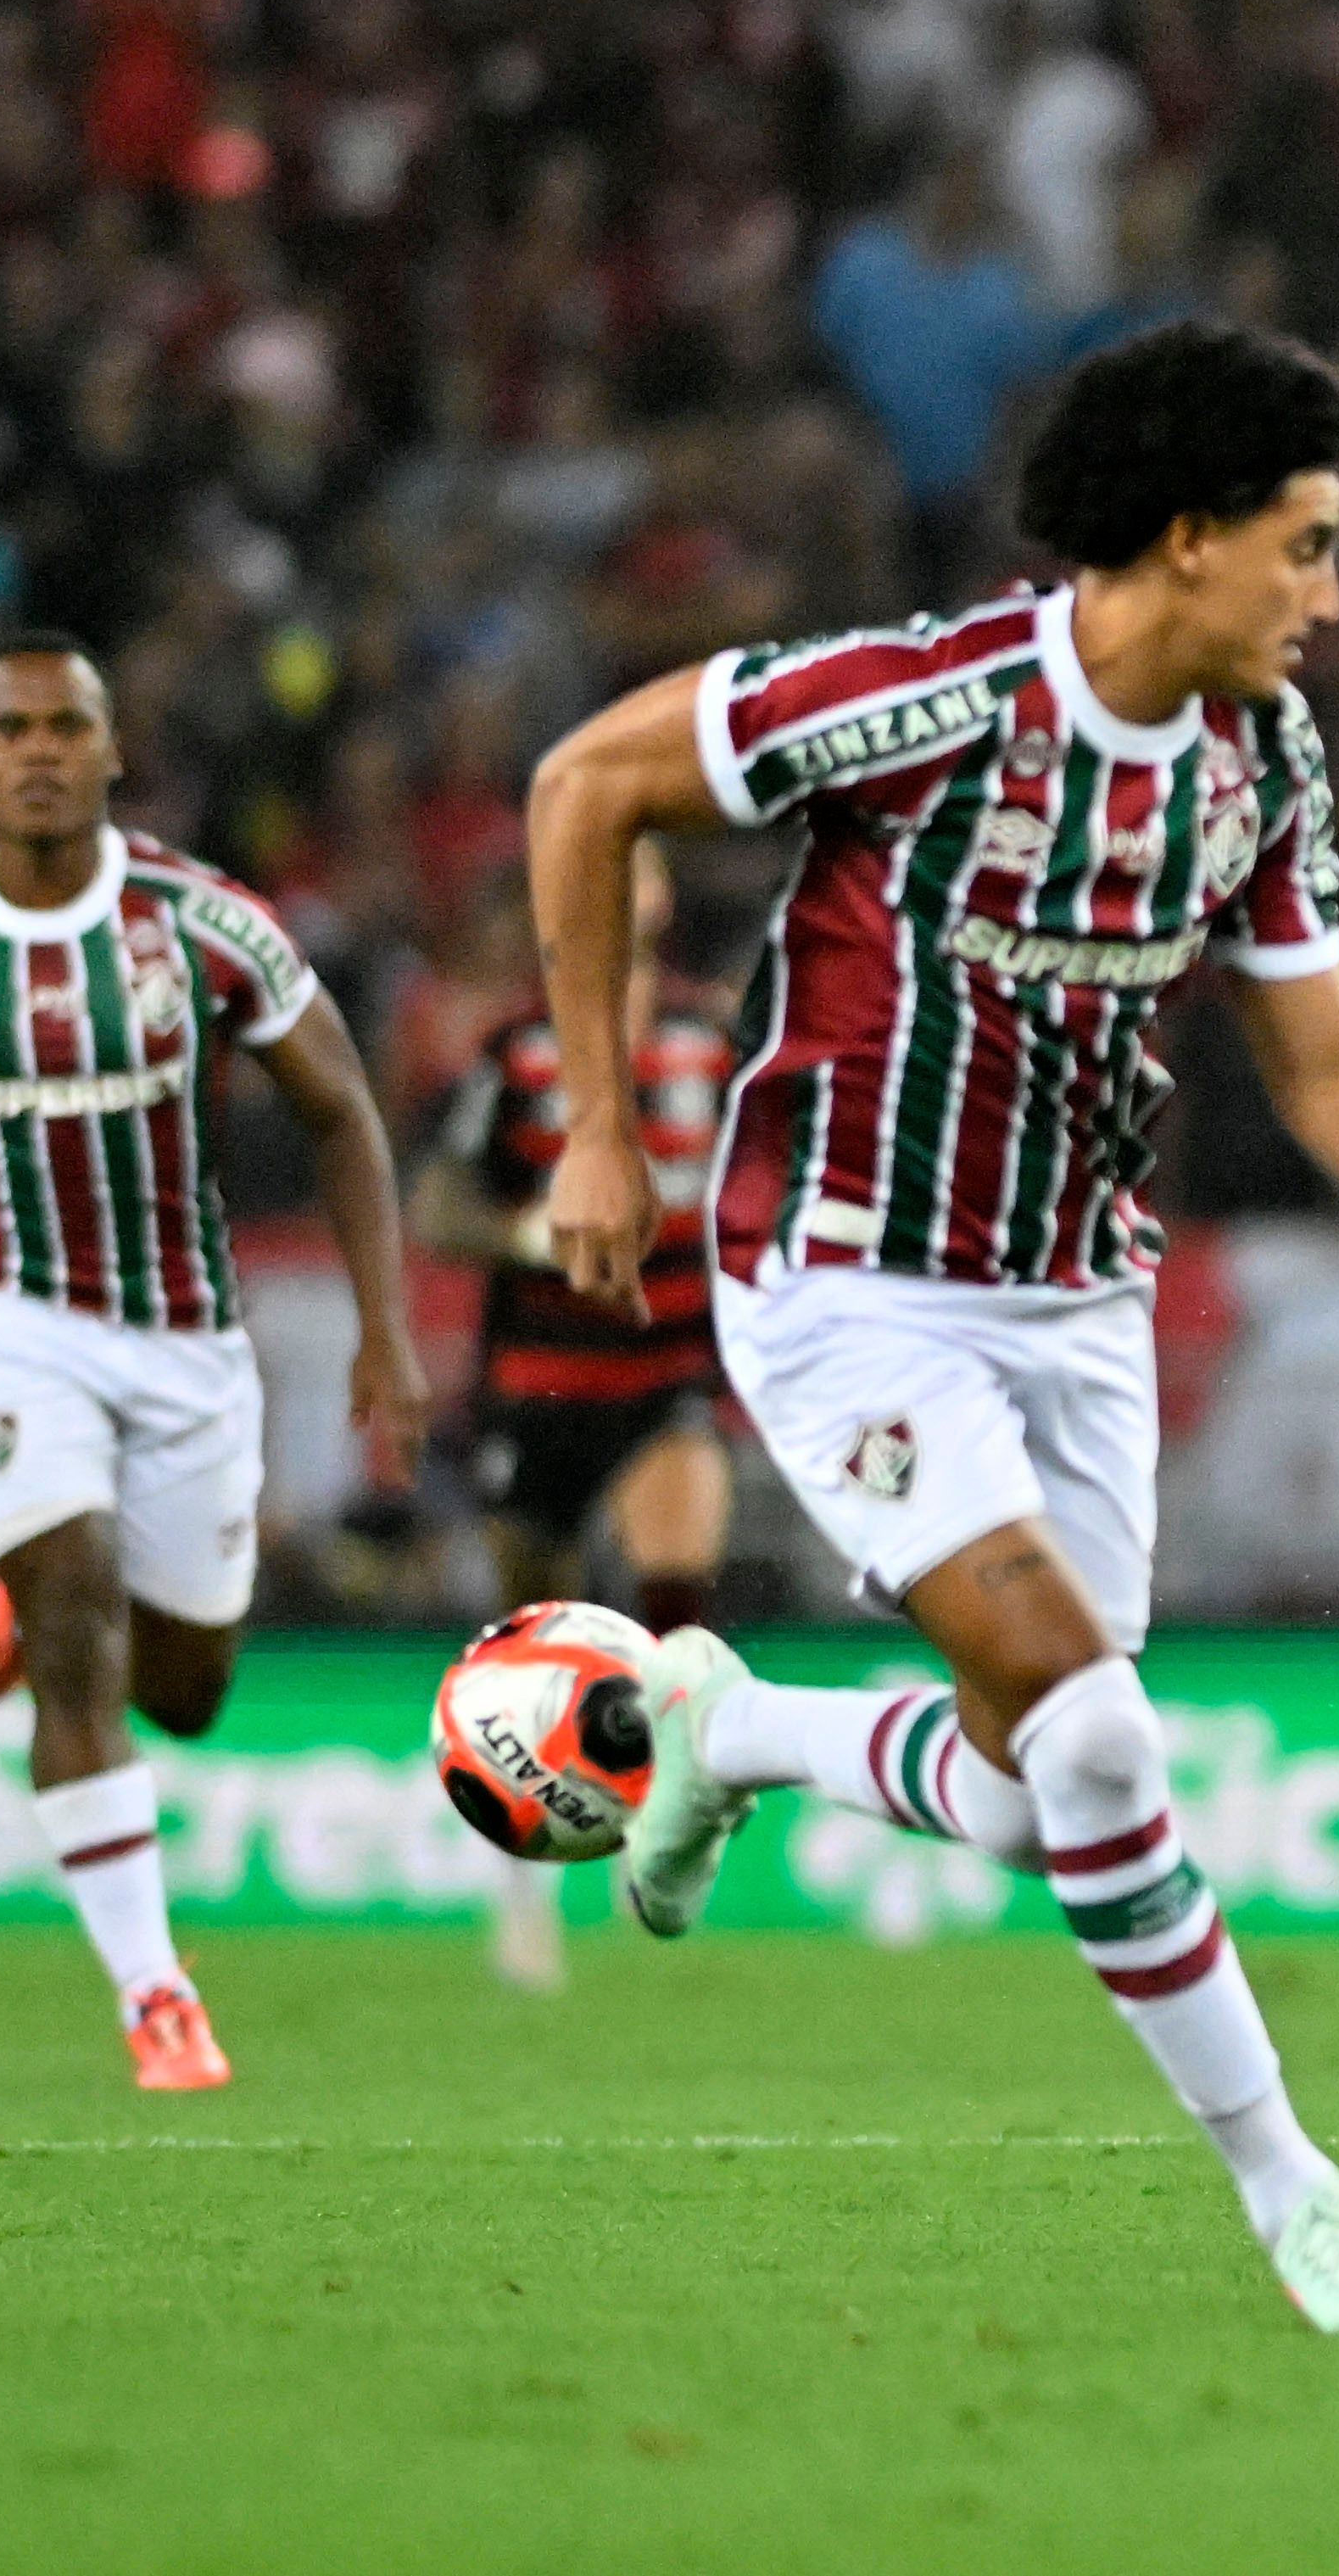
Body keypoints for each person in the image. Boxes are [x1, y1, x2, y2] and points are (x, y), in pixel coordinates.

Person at [521, 318, 1339, 2333]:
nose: (1331, 595)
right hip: (843, 1279)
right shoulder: (923, 699)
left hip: (1073, 1302)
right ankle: (1298, 2196)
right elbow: (584, 783)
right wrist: (603, 1130)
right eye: (1300, 546)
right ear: (1184, 539)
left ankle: (727, 1724)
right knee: (1097, 1719)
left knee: (1053, 1791)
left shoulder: (1256, 760)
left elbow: (1318, 1066)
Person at [0, 637, 428, 2093]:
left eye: (66, 726)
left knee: (186, 1688)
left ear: (113, 754)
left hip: (185, 1339)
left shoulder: (207, 929)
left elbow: (345, 1110)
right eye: (10, 728)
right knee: (77, 1609)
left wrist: (387, 1330)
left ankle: (26, 1599)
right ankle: (155, 1994)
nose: (40, 750)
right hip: (0, 1315)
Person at [411, 835, 739, 1992]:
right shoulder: (521, 1052)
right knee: (530, 1637)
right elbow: (439, 1199)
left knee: (675, 1599)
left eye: (648, 862)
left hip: (666, 1378)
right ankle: (521, 1875)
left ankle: (659, 1825)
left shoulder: (720, 1038)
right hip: (539, 1386)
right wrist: (524, 1234)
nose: (630, 881)